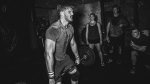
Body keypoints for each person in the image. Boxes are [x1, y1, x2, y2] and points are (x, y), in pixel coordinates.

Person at [45, 5, 80, 84]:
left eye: (72, 12)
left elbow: (73, 43)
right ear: (61, 13)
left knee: (75, 74)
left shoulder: (70, 28)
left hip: (64, 58)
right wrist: (51, 76)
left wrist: (77, 57)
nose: (72, 13)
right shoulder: (53, 29)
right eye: (69, 11)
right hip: (54, 62)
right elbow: (48, 54)